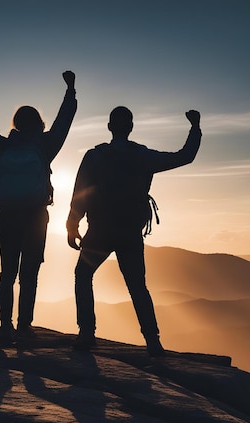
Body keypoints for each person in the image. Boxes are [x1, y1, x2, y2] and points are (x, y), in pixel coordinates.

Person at [66, 106, 202, 355]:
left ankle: (86, 334)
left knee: (83, 275)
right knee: (137, 286)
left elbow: (81, 192)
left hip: (99, 230)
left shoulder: (95, 156)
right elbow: (184, 156)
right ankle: (153, 341)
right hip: (129, 231)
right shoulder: (142, 156)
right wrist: (195, 128)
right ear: (130, 127)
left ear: (109, 127)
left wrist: (72, 224)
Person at [0, 71, 77, 342]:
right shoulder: (46, 145)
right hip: (36, 216)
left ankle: (5, 324)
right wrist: (70, 90)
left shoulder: (0, 146)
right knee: (30, 273)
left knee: (7, 271)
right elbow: (64, 122)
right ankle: (24, 326)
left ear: (15, 124)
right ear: (39, 123)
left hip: (7, 216)